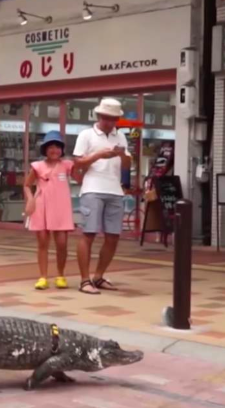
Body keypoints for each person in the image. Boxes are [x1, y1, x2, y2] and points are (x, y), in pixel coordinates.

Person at [73, 98, 131, 295]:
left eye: (113, 119)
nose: (109, 122)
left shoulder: (121, 137)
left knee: (113, 236)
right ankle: (84, 280)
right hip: (92, 188)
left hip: (115, 189)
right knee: (89, 233)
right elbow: (78, 163)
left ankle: (98, 276)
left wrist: (122, 156)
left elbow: (126, 167)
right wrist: (99, 155)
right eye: (105, 118)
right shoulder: (86, 135)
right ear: (98, 116)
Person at [24, 130, 83, 290]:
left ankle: (60, 275)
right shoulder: (37, 166)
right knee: (43, 242)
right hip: (41, 205)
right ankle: (43, 277)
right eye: (51, 146)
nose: (54, 150)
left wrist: (82, 165)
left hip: (61, 207)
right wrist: (30, 200)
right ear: (45, 149)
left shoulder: (67, 165)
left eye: (58, 146)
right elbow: (27, 185)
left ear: (62, 149)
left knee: (62, 243)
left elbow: (79, 179)